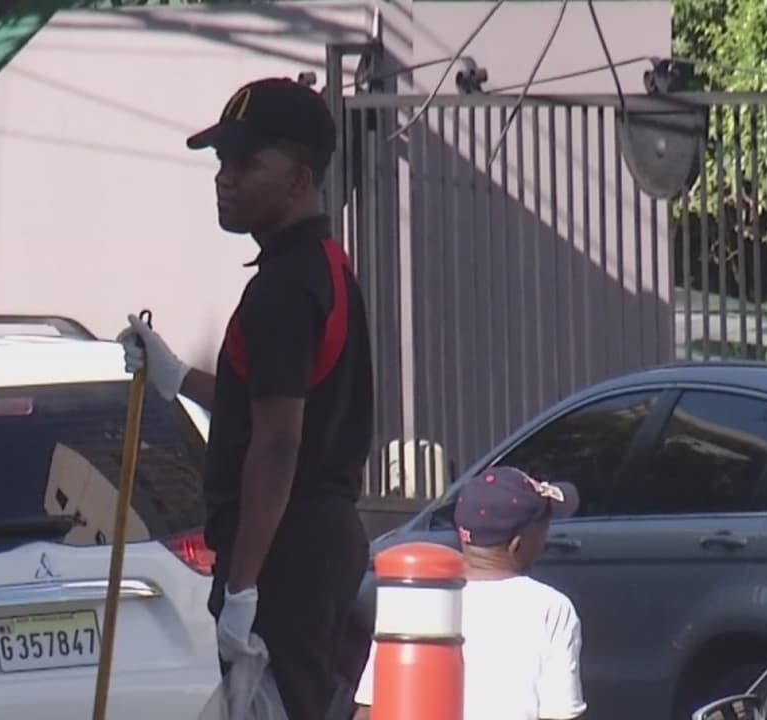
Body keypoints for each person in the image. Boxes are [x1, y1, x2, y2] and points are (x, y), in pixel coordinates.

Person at [118, 76, 374, 719]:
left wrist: (243, 585)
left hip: (286, 554)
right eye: (221, 161)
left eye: (246, 163)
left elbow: (278, 444)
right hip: (318, 541)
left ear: (299, 178)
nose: (224, 179)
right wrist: (176, 377)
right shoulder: (324, 264)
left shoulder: (282, 290)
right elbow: (267, 401)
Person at [352, 467, 587, 720]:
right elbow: (561, 714)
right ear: (517, 544)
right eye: (544, 528)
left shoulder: (413, 600)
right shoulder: (551, 608)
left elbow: (369, 709)